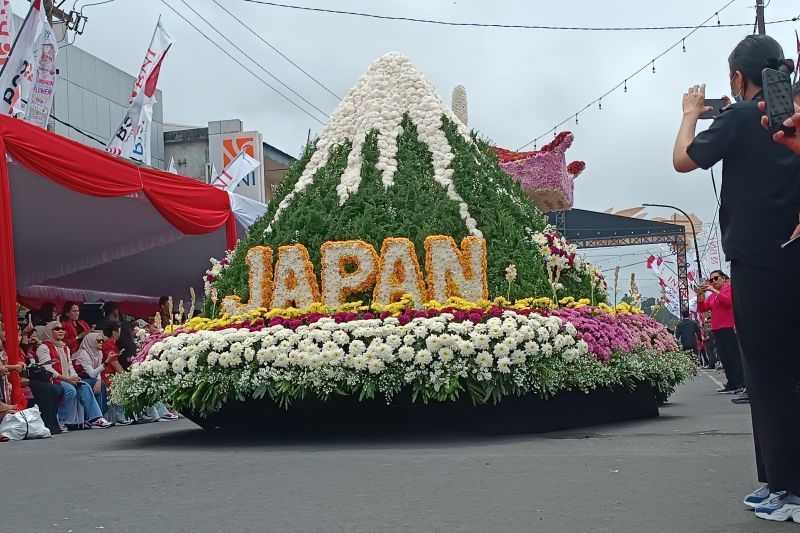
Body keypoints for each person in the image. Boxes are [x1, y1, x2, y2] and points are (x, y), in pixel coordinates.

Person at [674, 34, 800, 523]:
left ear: (736, 78)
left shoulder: (745, 115)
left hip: (758, 260)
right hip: (786, 253)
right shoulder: (787, 115)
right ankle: (777, 479)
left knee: (768, 373)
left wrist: (689, 112)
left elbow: (683, 159)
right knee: (782, 371)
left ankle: (787, 486)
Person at [35, 321, 111, 430]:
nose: (61, 331)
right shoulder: (43, 347)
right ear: (49, 332)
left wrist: (75, 377)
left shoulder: (65, 347)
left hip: (67, 379)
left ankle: (95, 419)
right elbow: (47, 369)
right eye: (57, 329)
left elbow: (70, 366)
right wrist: (67, 379)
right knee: (71, 390)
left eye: (62, 329)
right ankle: (62, 420)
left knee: (84, 386)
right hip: (53, 380)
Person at [695, 271, 743, 393]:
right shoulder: (712, 296)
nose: (713, 282)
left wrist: (713, 290)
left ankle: (740, 382)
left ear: (723, 278)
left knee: (733, 356)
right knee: (724, 357)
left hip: (728, 327)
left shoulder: (728, 289)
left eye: (716, 278)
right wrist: (700, 295)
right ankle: (731, 382)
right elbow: (703, 308)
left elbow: (728, 302)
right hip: (717, 329)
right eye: (711, 280)